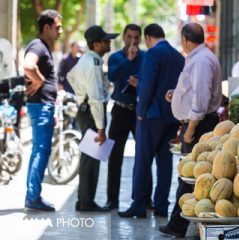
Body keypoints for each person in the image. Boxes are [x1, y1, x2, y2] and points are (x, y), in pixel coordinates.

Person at [159, 22, 222, 237]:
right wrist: (175, 95)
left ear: (185, 39)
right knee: (189, 175)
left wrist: (190, 128)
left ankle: (178, 225)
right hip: (197, 124)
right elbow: (194, 91)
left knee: (189, 176)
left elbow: (201, 99)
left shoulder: (202, 60)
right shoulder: (199, 57)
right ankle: (178, 223)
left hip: (199, 126)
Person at [118, 24, 184, 218]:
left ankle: (139, 206)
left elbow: (147, 86)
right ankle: (162, 206)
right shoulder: (178, 56)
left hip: (151, 116)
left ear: (147, 37)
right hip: (171, 116)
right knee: (165, 163)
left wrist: (140, 111)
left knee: (143, 161)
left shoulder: (152, 54)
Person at [67, 25, 119, 212]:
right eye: (106, 41)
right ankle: (86, 202)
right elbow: (97, 100)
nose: (109, 43)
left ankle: (84, 200)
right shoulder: (94, 63)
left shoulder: (86, 60)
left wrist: (80, 95)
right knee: (91, 159)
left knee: (88, 158)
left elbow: (70, 76)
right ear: (96, 44)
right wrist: (101, 129)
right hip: (91, 112)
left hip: (85, 110)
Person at [105, 24, 153, 210]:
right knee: (114, 156)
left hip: (139, 111)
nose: (133, 41)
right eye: (129, 37)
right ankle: (112, 200)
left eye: (136, 37)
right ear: (124, 38)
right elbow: (112, 76)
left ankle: (143, 199)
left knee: (143, 156)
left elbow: (150, 81)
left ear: (140, 39)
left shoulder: (146, 57)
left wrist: (139, 83)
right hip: (119, 110)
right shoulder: (116, 57)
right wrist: (127, 60)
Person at [23, 9, 63, 211]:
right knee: (41, 150)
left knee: (39, 150)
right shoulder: (38, 46)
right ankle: (33, 197)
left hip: (44, 106)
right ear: (46, 27)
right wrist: (39, 80)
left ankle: (32, 195)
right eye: (57, 27)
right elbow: (28, 65)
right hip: (41, 107)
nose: (61, 31)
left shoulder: (43, 47)